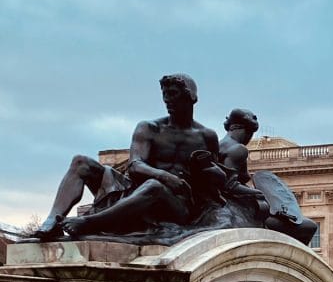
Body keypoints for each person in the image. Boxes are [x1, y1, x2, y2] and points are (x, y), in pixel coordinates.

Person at [53, 74, 223, 238]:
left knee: (154, 186)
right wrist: (164, 176)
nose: (167, 100)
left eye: (173, 94)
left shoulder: (206, 136)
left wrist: (207, 168)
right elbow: (134, 165)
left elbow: (219, 183)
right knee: (81, 162)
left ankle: (90, 222)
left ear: (190, 96)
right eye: (164, 95)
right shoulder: (149, 127)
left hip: (177, 206)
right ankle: (51, 222)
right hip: (136, 192)